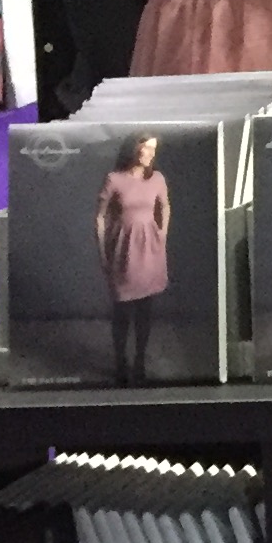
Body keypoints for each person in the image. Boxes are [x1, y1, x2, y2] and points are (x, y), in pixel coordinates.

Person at [96, 131, 170, 385]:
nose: (150, 154)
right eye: (146, 147)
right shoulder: (114, 179)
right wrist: (102, 249)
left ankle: (140, 360)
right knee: (122, 310)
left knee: (145, 310)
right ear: (134, 149)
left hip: (149, 249)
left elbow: (165, 206)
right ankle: (121, 361)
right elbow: (100, 216)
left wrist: (162, 233)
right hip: (123, 248)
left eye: (154, 149)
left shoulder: (157, 179)